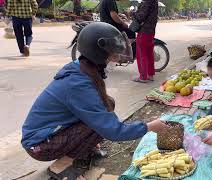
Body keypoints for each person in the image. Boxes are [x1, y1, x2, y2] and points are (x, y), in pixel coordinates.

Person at [21, 22, 168, 180]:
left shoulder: (81, 67)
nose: (114, 59)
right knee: (97, 125)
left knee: (107, 103)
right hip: (40, 145)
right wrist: (149, 127)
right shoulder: (77, 84)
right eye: (112, 56)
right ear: (98, 54)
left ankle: (85, 148)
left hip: (50, 134)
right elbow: (113, 131)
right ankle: (60, 166)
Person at [130, 0, 158, 83]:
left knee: (142, 54)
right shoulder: (154, 2)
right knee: (149, 53)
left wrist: (132, 13)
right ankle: (150, 75)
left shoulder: (147, 2)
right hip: (151, 31)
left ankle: (143, 77)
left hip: (144, 31)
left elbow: (141, 16)